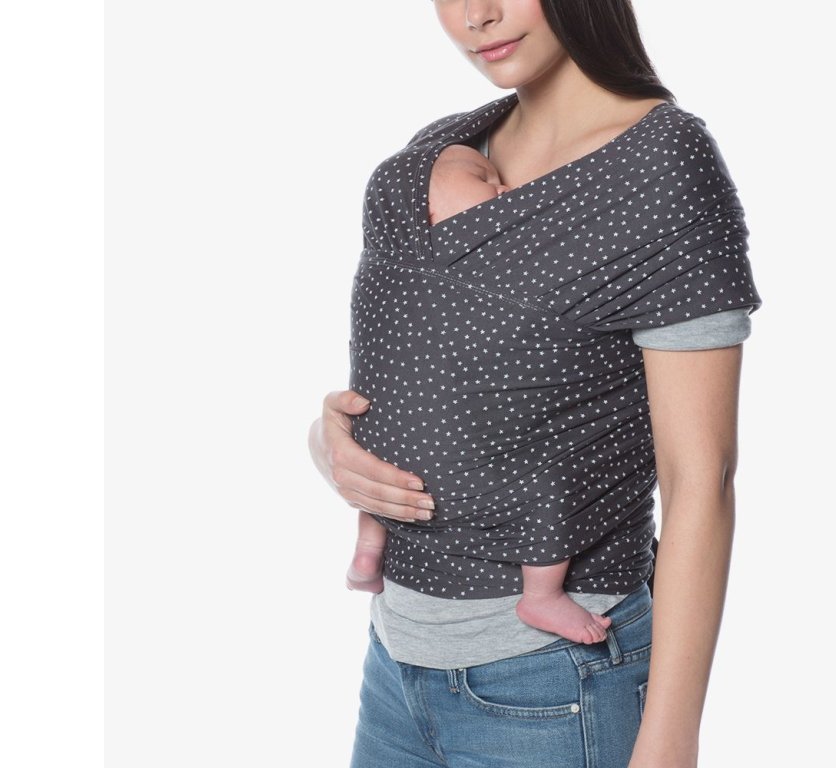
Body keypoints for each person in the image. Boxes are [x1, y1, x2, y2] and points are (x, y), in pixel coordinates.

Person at [310, 1, 762, 765]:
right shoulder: (446, 148)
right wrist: (330, 445)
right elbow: (422, 365)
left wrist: (669, 741)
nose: (476, 16)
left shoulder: (660, 166)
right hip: (394, 665)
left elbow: (702, 478)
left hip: (555, 682)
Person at [346, 138, 616, 644]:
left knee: (381, 475)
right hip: (462, 454)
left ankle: (367, 551)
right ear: (424, 211)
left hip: (387, 435)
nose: (505, 188)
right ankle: (541, 595)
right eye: (482, 179)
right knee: (551, 487)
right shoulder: (408, 262)